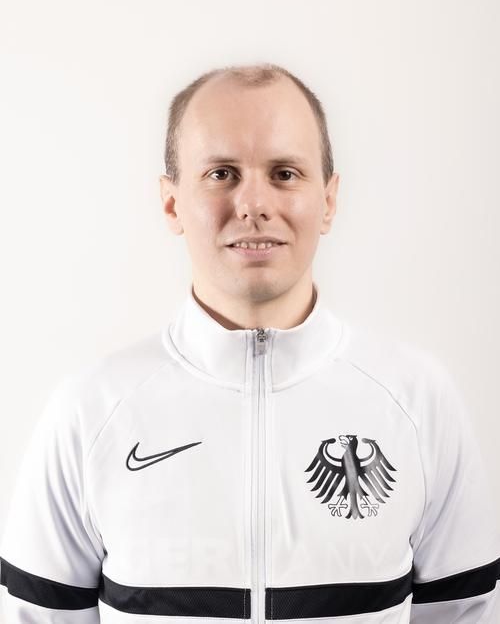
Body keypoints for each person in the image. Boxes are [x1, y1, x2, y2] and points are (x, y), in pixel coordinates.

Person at [1, 62, 499, 623]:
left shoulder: (419, 401)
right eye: (221, 173)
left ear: (329, 200)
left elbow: (466, 613)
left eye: (285, 173)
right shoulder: (88, 412)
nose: (253, 204)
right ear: (171, 203)